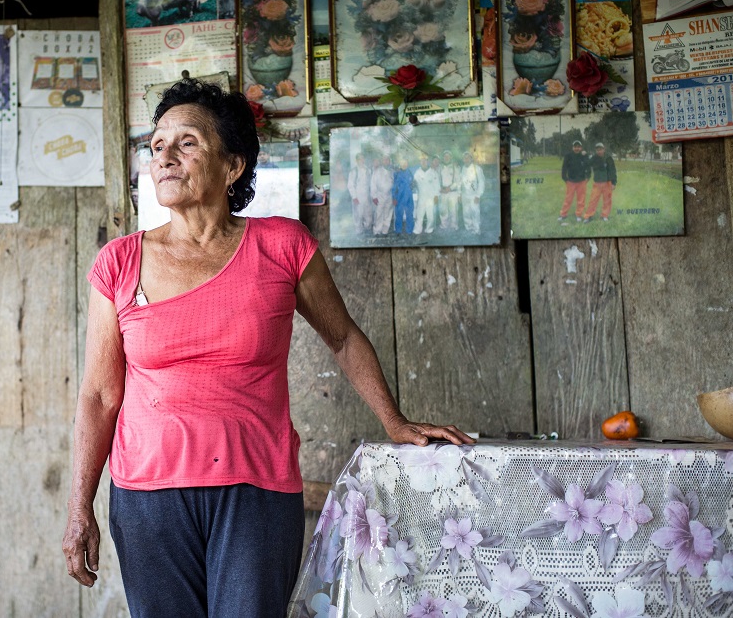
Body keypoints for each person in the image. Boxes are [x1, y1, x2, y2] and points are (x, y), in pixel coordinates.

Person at [61, 79, 473, 618]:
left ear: (232, 166)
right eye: (158, 145)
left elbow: (343, 338)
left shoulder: (283, 245)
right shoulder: (118, 263)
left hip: (255, 488)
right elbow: (99, 395)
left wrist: (394, 421)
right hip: (148, 497)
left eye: (187, 143)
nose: (165, 157)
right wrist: (79, 507)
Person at [582, 142, 617, 222]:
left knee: (607, 200)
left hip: (607, 182)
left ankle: (604, 215)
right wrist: (585, 155)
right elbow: (587, 163)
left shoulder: (609, 158)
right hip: (597, 183)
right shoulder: (594, 158)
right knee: (593, 200)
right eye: (597, 150)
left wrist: (614, 183)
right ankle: (588, 216)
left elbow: (613, 171)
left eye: (600, 149)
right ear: (596, 150)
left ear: (604, 149)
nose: (599, 151)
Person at [559, 140, 590, 223]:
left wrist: (588, 177)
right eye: (575, 146)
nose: (577, 148)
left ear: (581, 147)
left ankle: (579, 215)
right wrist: (565, 178)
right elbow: (564, 168)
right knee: (568, 199)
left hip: (582, 181)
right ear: (572, 147)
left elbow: (588, 166)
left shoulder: (584, 155)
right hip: (571, 181)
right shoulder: (568, 156)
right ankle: (563, 214)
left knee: (581, 199)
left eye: (578, 147)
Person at [458, 151, 486, 234]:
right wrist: (459, 194)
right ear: (463, 160)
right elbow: (459, 182)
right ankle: (468, 228)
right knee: (466, 212)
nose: (466, 159)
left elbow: (481, 182)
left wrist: (478, 195)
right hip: (464, 195)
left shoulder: (477, 168)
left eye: (468, 157)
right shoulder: (462, 169)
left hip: (474, 195)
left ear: (471, 159)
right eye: (464, 158)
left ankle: (476, 229)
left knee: (475, 212)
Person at [413, 155, 440, 235]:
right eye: (422, 160)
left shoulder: (433, 172)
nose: (424, 162)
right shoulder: (417, 172)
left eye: (425, 160)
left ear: (427, 161)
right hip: (421, 197)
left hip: (431, 197)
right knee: (419, 214)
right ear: (420, 162)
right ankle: (418, 229)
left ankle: (429, 229)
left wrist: (436, 196)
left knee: (430, 214)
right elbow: (414, 183)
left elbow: (437, 185)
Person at [348, 151, 373, 235]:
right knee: (358, 215)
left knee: (368, 213)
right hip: (358, 196)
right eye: (359, 159)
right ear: (356, 160)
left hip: (367, 196)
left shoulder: (368, 170)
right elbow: (350, 185)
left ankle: (368, 228)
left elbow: (371, 184)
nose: (361, 160)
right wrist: (354, 197)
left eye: (362, 159)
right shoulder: (353, 171)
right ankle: (359, 231)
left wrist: (372, 195)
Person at [370, 154, 395, 236]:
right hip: (379, 195)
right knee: (379, 214)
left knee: (387, 214)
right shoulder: (377, 171)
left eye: (387, 160)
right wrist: (374, 196)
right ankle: (377, 231)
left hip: (389, 196)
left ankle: (385, 231)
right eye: (384, 159)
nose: (386, 161)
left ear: (389, 161)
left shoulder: (392, 171)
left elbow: (395, 184)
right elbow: (373, 184)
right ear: (382, 161)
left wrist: (394, 196)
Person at [437, 150, 461, 230]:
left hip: (452, 193)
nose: (446, 157)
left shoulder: (455, 167)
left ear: (451, 157)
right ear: (443, 158)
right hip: (443, 192)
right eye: (445, 156)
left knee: (453, 210)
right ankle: (444, 226)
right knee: (443, 210)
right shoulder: (439, 167)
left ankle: (454, 226)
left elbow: (458, 181)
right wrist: (440, 189)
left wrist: (450, 188)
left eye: (448, 156)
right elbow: (436, 179)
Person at [392, 154, 415, 235]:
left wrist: (413, 185)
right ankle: (398, 230)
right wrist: (394, 198)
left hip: (409, 197)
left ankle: (409, 231)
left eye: (405, 163)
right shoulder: (397, 173)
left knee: (409, 214)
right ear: (400, 164)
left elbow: (413, 184)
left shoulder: (410, 172)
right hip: (399, 197)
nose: (404, 164)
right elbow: (394, 187)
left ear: (407, 164)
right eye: (402, 163)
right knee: (399, 214)